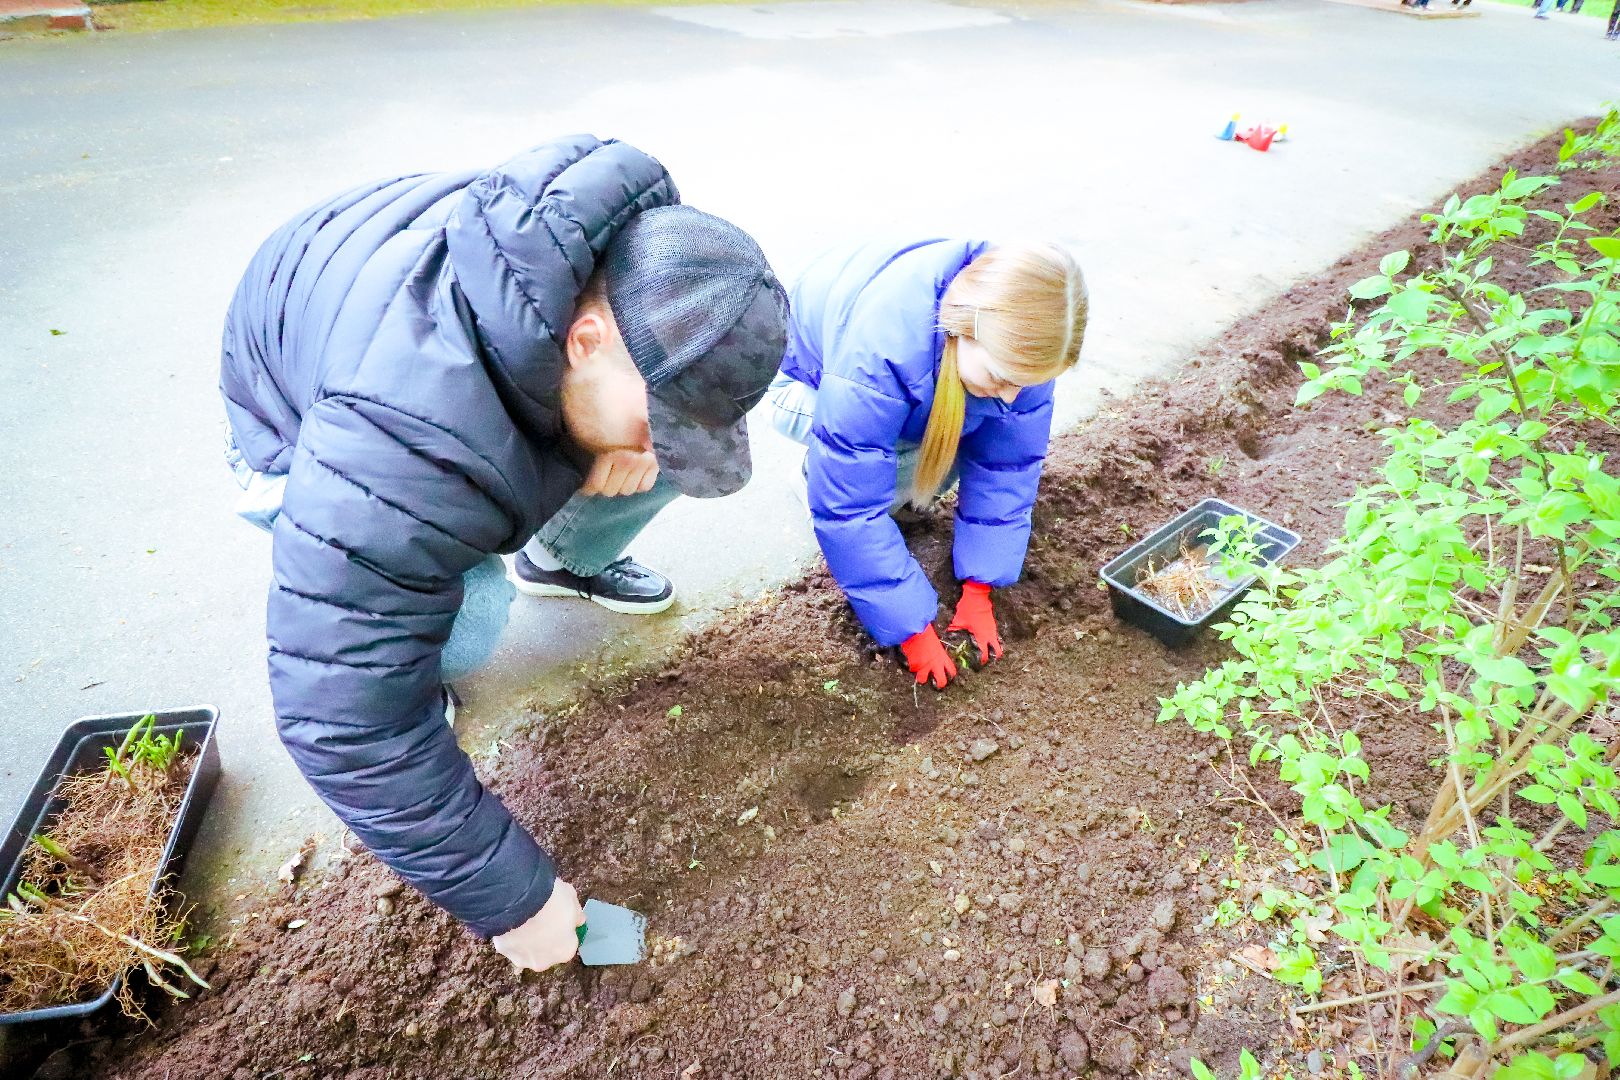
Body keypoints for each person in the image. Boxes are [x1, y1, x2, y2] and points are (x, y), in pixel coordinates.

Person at [219, 135, 788, 973]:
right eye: (655, 412)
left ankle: (559, 561)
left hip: (367, 289)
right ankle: (427, 649)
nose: (657, 438)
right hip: (289, 407)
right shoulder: (402, 446)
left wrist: (627, 437)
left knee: (662, 466)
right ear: (586, 339)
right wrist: (516, 901)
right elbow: (342, 719)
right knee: (471, 617)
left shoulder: (635, 264)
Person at [767, 240, 1087, 689]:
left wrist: (980, 585)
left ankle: (902, 478)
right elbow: (850, 510)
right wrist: (911, 628)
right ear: (963, 330)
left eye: (1026, 384)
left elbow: (1007, 466)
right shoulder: (882, 354)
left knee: (975, 421)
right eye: (1001, 378)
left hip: (909, 373)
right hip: (805, 381)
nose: (1014, 395)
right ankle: (811, 474)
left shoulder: (1021, 350)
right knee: (896, 451)